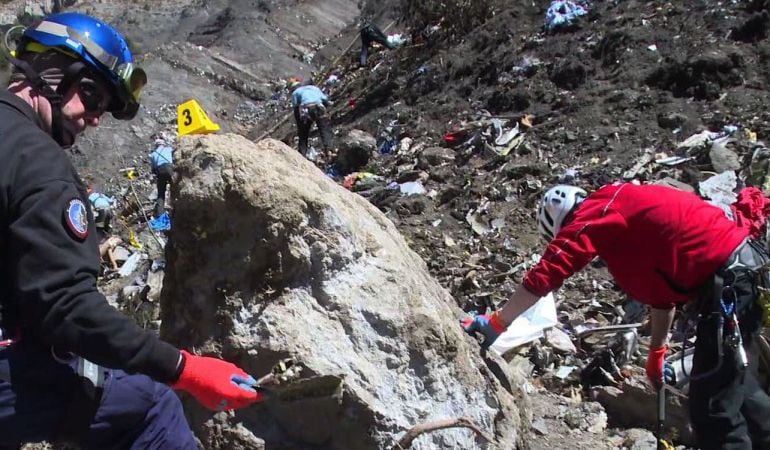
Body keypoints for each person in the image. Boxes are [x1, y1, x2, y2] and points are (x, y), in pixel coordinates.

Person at [0, 12, 262, 448]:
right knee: (150, 404)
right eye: (92, 96)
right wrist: (185, 369)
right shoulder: (39, 163)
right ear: (55, 74)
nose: (96, 118)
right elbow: (67, 307)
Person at [462, 183, 770, 449]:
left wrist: (498, 323)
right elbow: (662, 299)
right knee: (733, 384)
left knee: (713, 408)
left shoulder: (602, 206)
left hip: (730, 285)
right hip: (741, 276)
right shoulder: (628, 223)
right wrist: (657, 354)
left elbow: (550, 269)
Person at [288, 77, 333, 157]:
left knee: (303, 134)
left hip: (307, 109)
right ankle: (329, 150)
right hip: (319, 107)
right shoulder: (314, 88)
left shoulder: (295, 92)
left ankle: (302, 154)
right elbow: (325, 100)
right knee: (324, 129)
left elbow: (296, 107)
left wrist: (299, 124)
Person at [149, 137, 174, 217]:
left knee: (161, 194)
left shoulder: (153, 154)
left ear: (156, 146)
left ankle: (160, 215)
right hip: (169, 168)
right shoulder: (169, 149)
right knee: (175, 189)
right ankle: (176, 208)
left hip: (160, 171)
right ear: (163, 144)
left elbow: (153, 169)